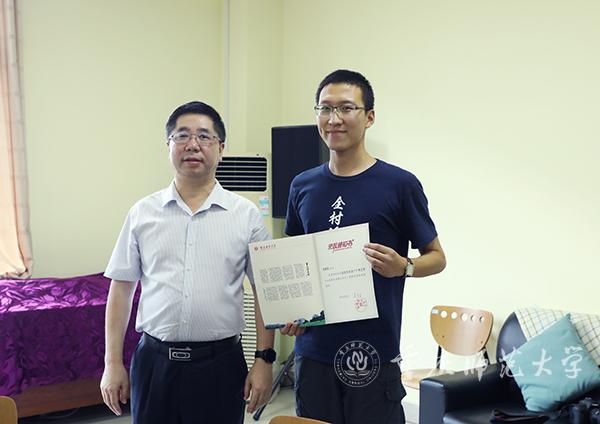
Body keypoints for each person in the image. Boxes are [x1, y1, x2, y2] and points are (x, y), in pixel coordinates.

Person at [281, 70, 447, 424]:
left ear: (369, 117)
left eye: (346, 108)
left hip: (372, 351)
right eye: (325, 109)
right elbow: (296, 258)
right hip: (313, 352)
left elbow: (437, 258)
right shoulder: (302, 185)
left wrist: (404, 266)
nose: (334, 119)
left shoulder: (399, 184)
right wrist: (292, 309)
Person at [100, 101, 275, 424]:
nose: (193, 144)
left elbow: (266, 290)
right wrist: (112, 363)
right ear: (168, 146)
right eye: (182, 136)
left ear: (221, 149)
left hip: (220, 366)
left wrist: (264, 360)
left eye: (204, 136)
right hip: (155, 364)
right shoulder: (142, 213)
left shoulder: (245, 215)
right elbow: (121, 290)